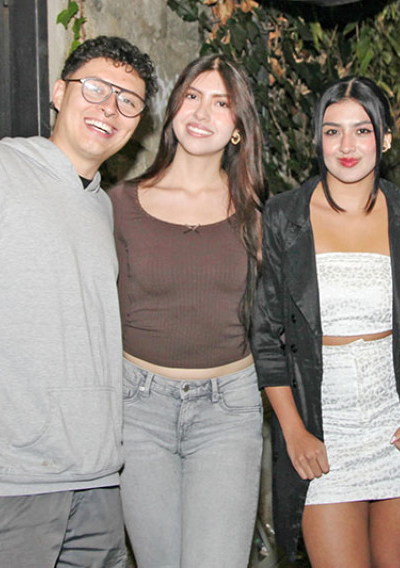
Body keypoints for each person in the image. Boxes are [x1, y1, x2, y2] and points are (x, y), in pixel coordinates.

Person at [0, 36, 157, 566]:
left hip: (96, 483)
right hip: (7, 485)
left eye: (128, 100)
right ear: (59, 93)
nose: (110, 108)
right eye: (95, 89)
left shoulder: (100, 208)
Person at [251, 76, 400, 566]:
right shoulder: (284, 216)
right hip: (321, 426)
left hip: (399, 426)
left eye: (362, 131)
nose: (346, 146)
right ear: (318, 139)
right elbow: (266, 336)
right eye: (333, 132)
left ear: (385, 139)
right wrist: (293, 431)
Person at [110, 54, 266, 567]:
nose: (202, 113)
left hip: (228, 412)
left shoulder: (258, 214)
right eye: (193, 96)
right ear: (173, 107)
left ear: (238, 126)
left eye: (221, 103)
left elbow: (292, 307)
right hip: (138, 410)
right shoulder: (119, 204)